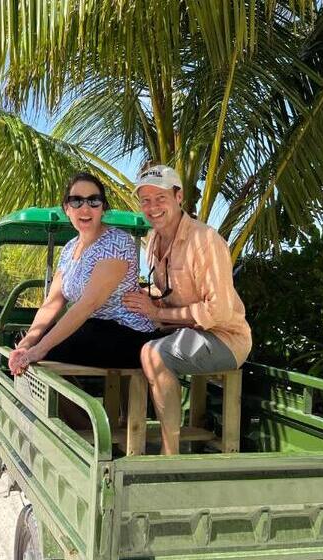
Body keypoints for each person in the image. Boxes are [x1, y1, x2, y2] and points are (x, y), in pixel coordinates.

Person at [123, 164, 252, 455]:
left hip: (225, 338)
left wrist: (157, 313)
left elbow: (217, 311)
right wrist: (139, 297)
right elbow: (169, 292)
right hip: (182, 331)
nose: (152, 207)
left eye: (161, 198)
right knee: (122, 339)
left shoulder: (205, 241)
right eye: (146, 200)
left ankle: (170, 456)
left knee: (154, 354)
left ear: (179, 197)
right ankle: (123, 435)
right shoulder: (153, 240)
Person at [8, 172, 158, 376]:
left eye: (93, 201)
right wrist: (27, 343)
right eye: (76, 201)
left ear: (103, 208)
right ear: (66, 208)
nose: (85, 208)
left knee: (50, 348)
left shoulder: (116, 242)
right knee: (25, 341)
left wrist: (39, 349)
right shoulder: (70, 248)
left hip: (128, 333)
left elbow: (88, 304)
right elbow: (52, 302)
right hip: (93, 329)